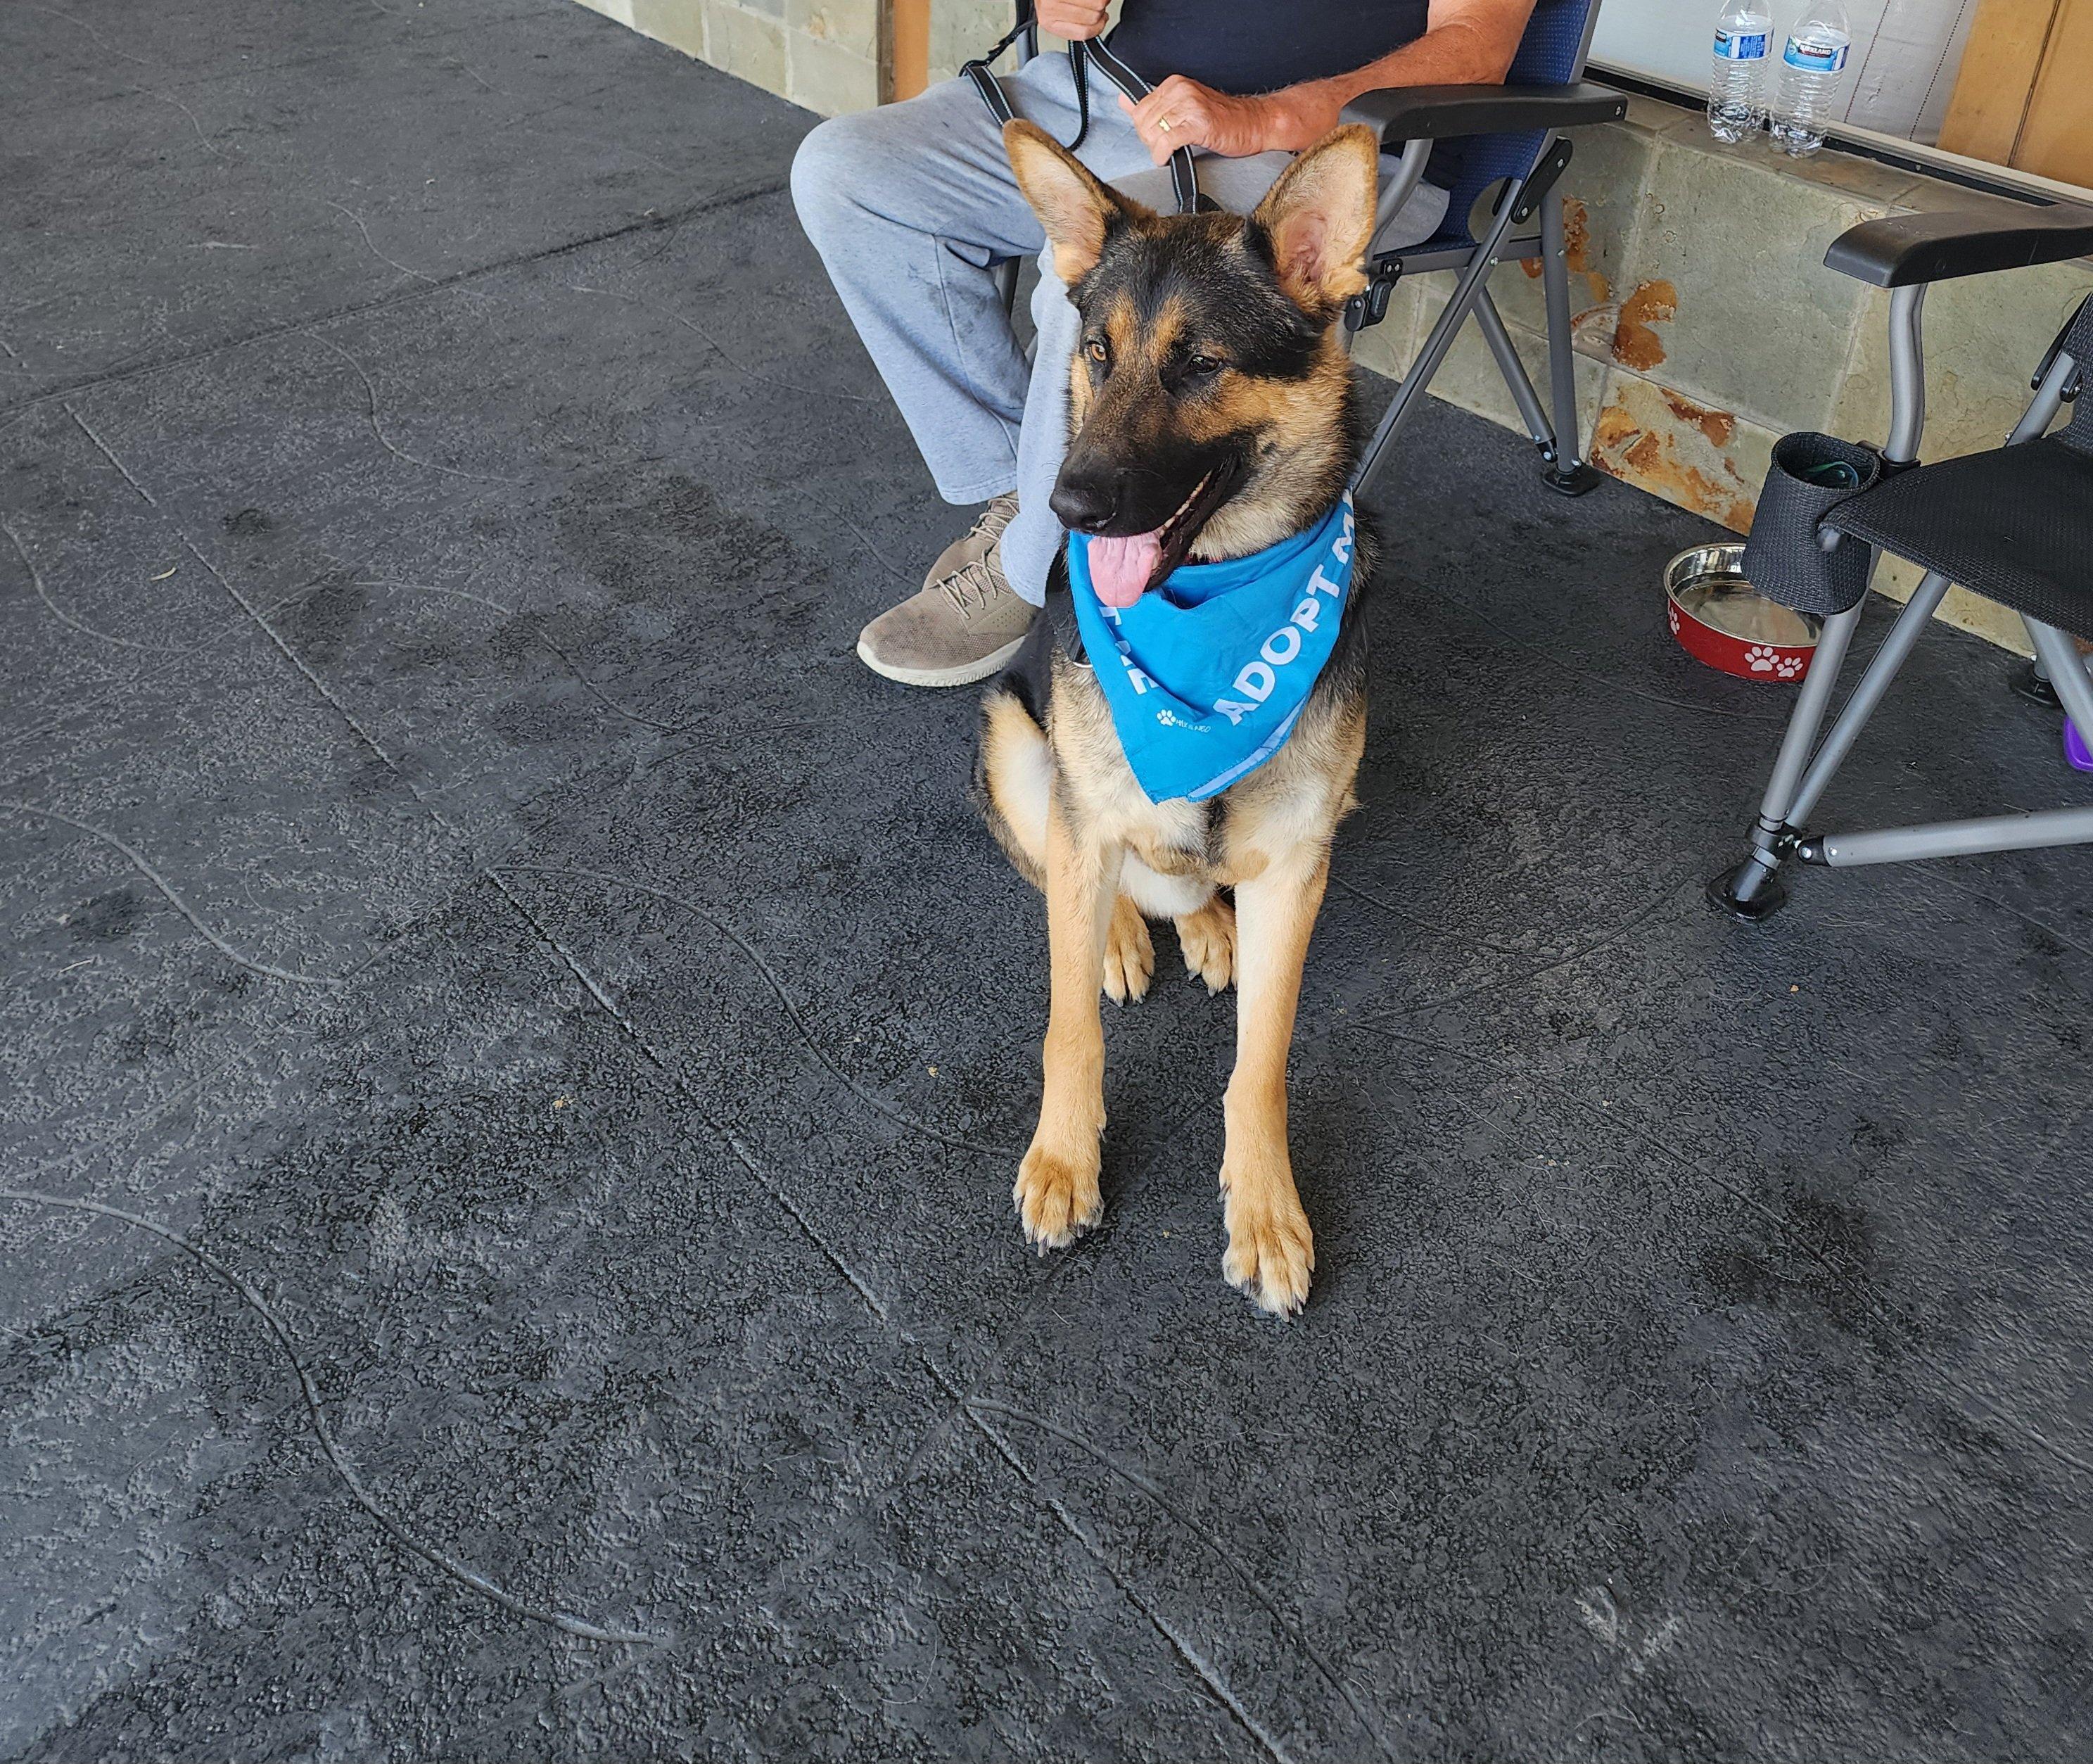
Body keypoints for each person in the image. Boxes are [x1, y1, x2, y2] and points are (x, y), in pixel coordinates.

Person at [791, 0, 1539, 687]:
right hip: (1119, 92)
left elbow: (1475, 46)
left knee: (1095, 301)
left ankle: (1040, 574)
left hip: (1315, 144)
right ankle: (1024, 500)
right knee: (847, 174)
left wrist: (1266, 117)